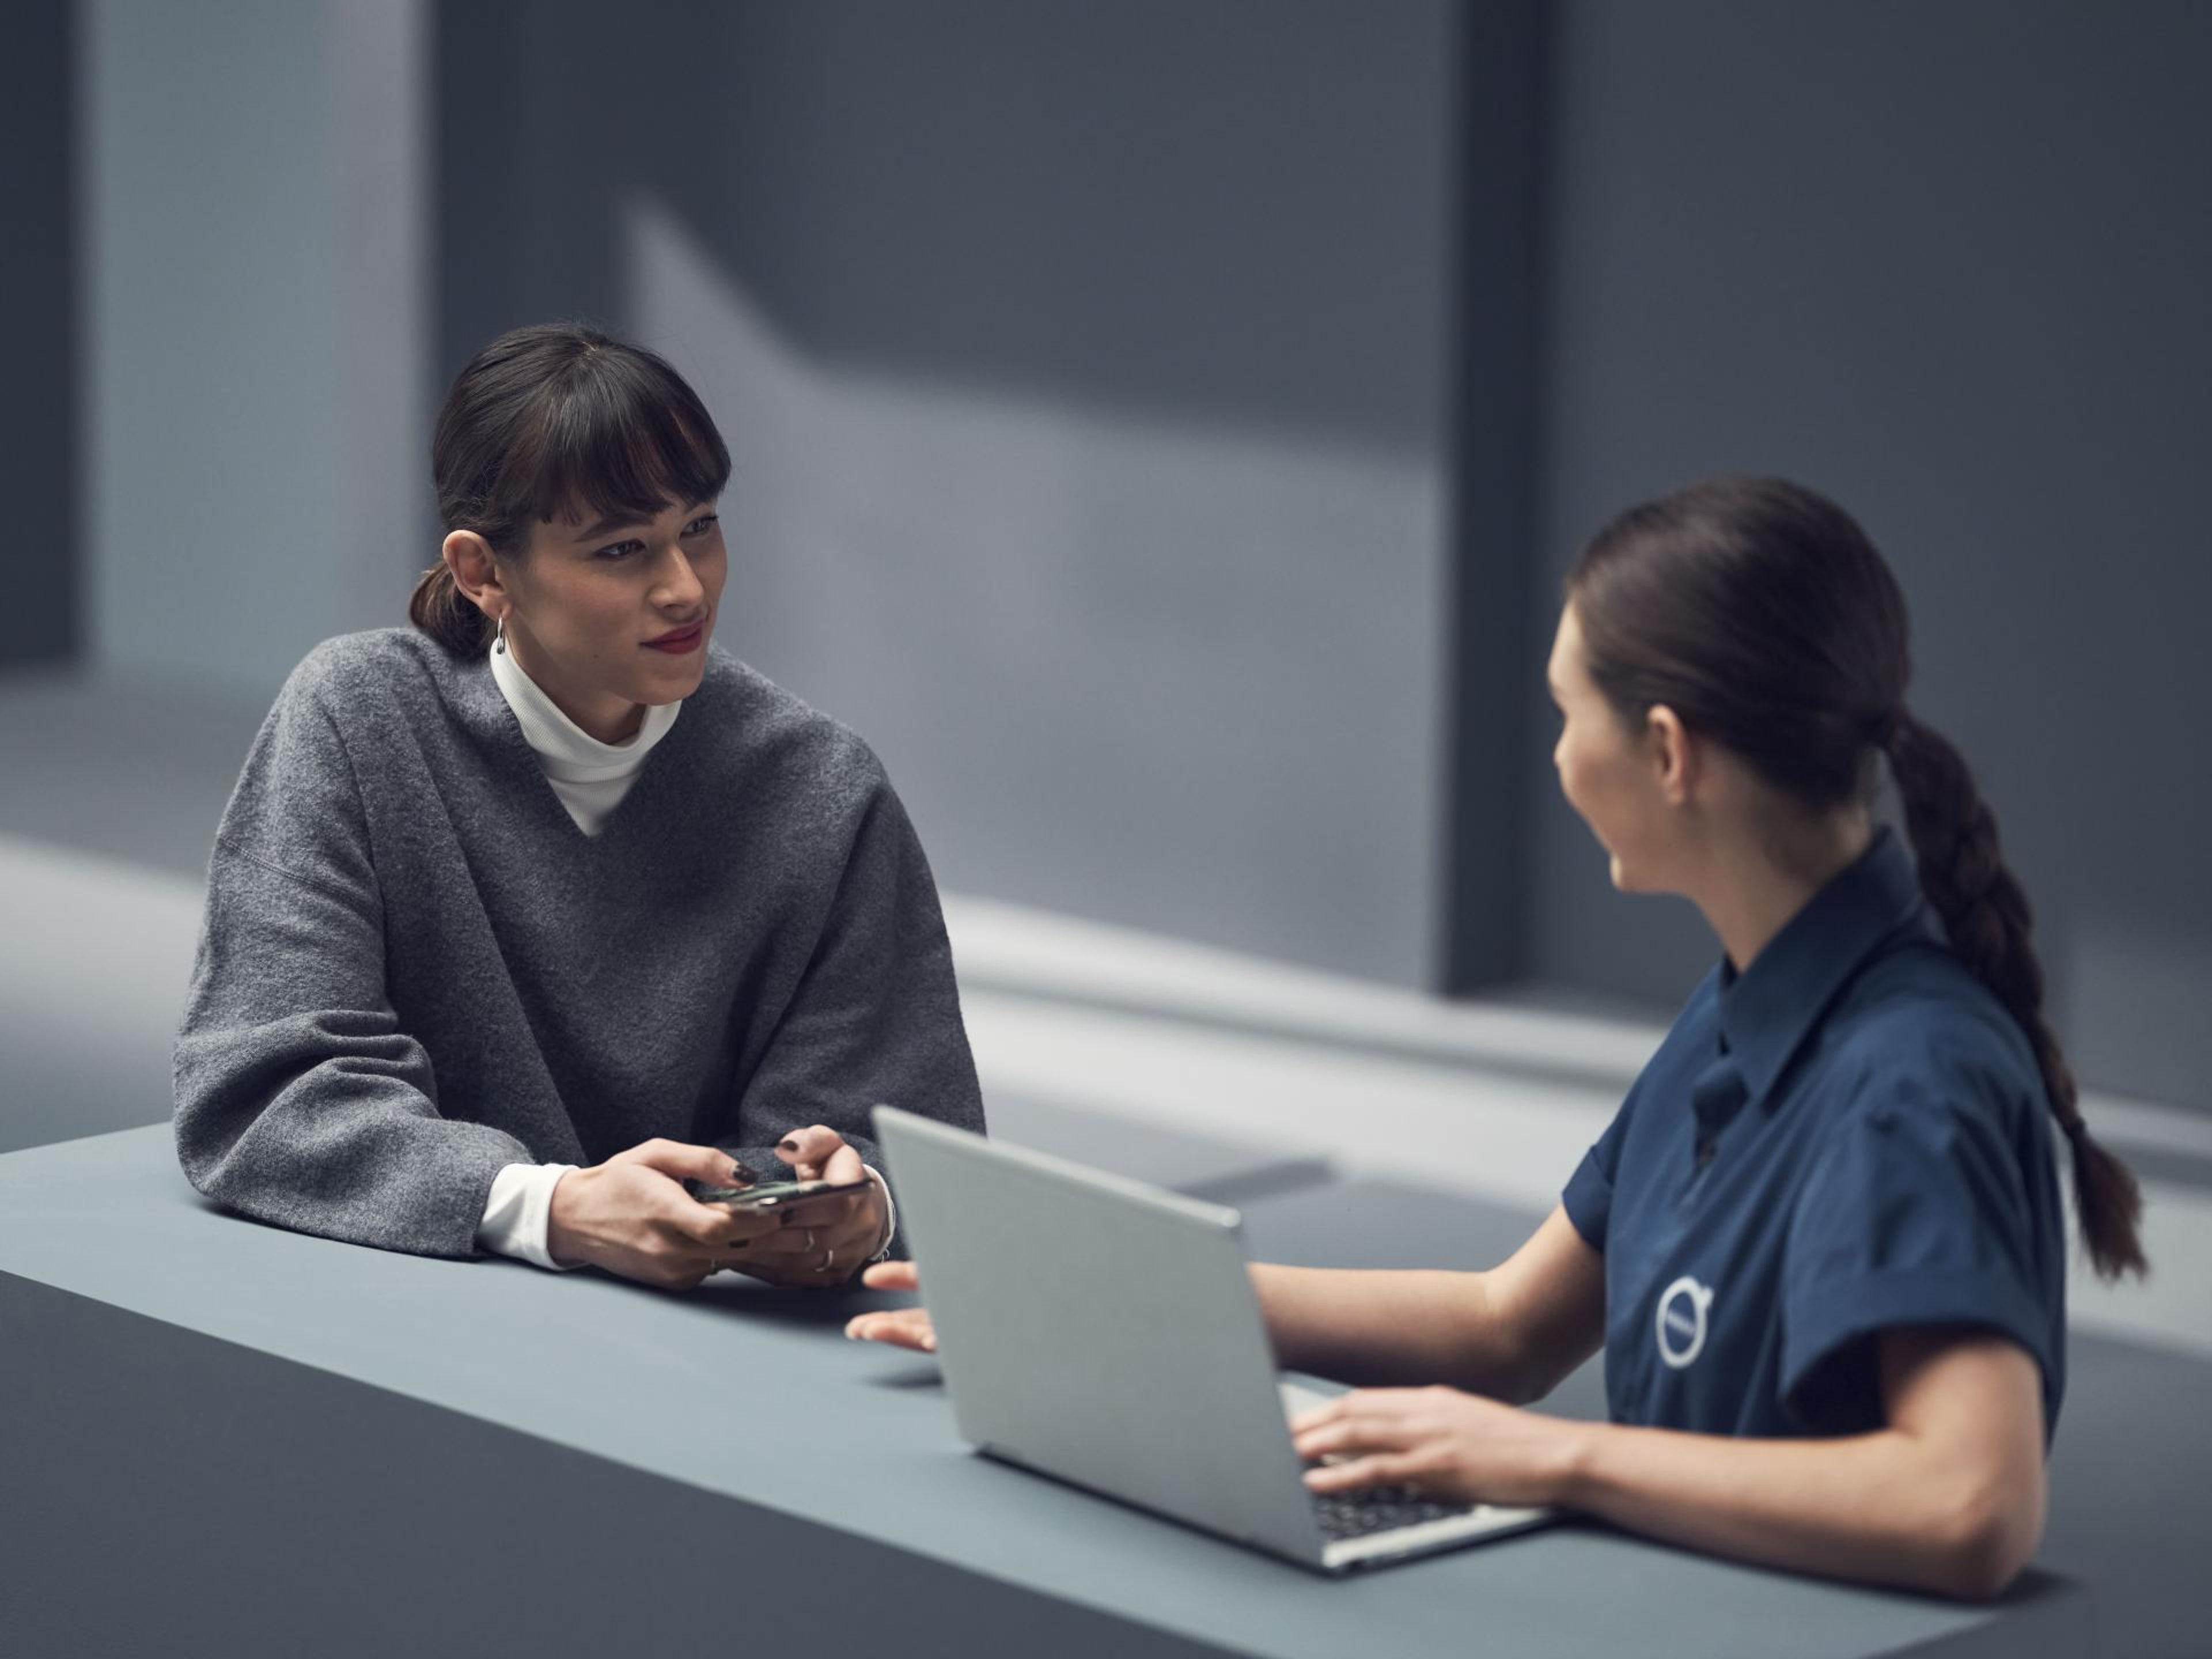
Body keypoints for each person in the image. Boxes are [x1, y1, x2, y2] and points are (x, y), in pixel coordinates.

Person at [848, 476, 2146, 1600]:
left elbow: (1971, 1508)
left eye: (1566, 713)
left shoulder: (1913, 1074)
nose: (1557, 757)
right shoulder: (1749, 999)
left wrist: (1555, 1463)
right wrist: (1098, 1313)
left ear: (1666, 751)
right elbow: (1503, 1325)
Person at [174, 321, 985, 1290]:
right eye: (622, 550)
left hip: (718, 1361)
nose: (686, 588)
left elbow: (908, 1139)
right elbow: (265, 1090)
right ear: (484, 573)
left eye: (700, 527)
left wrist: (860, 1207)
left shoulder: (822, 787)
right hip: (415, 1328)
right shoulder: (358, 720)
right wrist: (555, 1209)